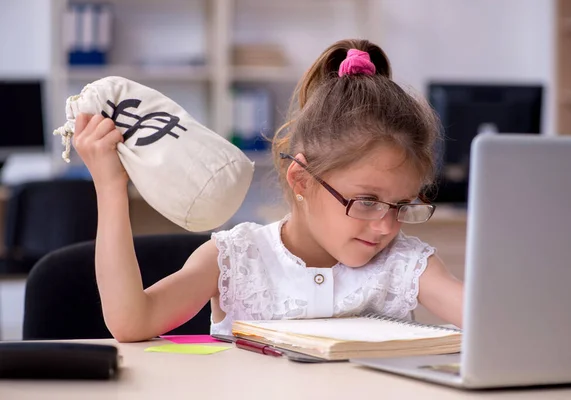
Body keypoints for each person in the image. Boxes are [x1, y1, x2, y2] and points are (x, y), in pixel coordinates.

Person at [72, 39, 463, 342]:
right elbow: (130, 321)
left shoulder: (407, 264)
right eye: (366, 201)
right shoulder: (236, 259)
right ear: (301, 180)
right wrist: (110, 187)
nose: (385, 227)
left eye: (401, 205)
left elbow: (492, 323)